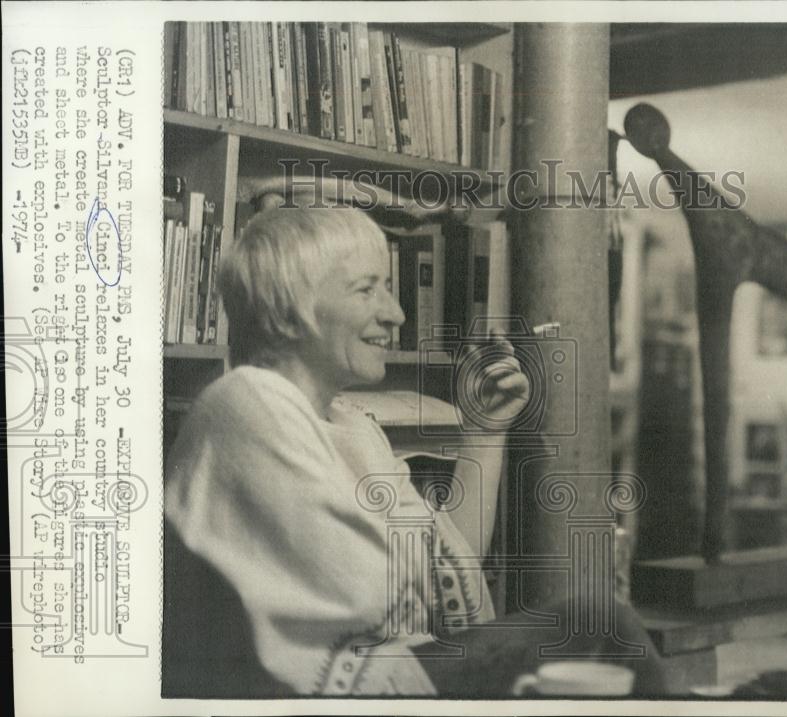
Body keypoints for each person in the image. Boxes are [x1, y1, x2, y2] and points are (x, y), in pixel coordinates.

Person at [164, 204, 529, 696]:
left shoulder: (353, 426)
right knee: (595, 630)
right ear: (291, 310)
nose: (396, 314)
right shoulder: (245, 400)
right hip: (319, 697)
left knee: (594, 629)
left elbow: (447, 571)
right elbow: (376, 595)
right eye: (366, 289)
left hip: (388, 676)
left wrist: (485, 430)